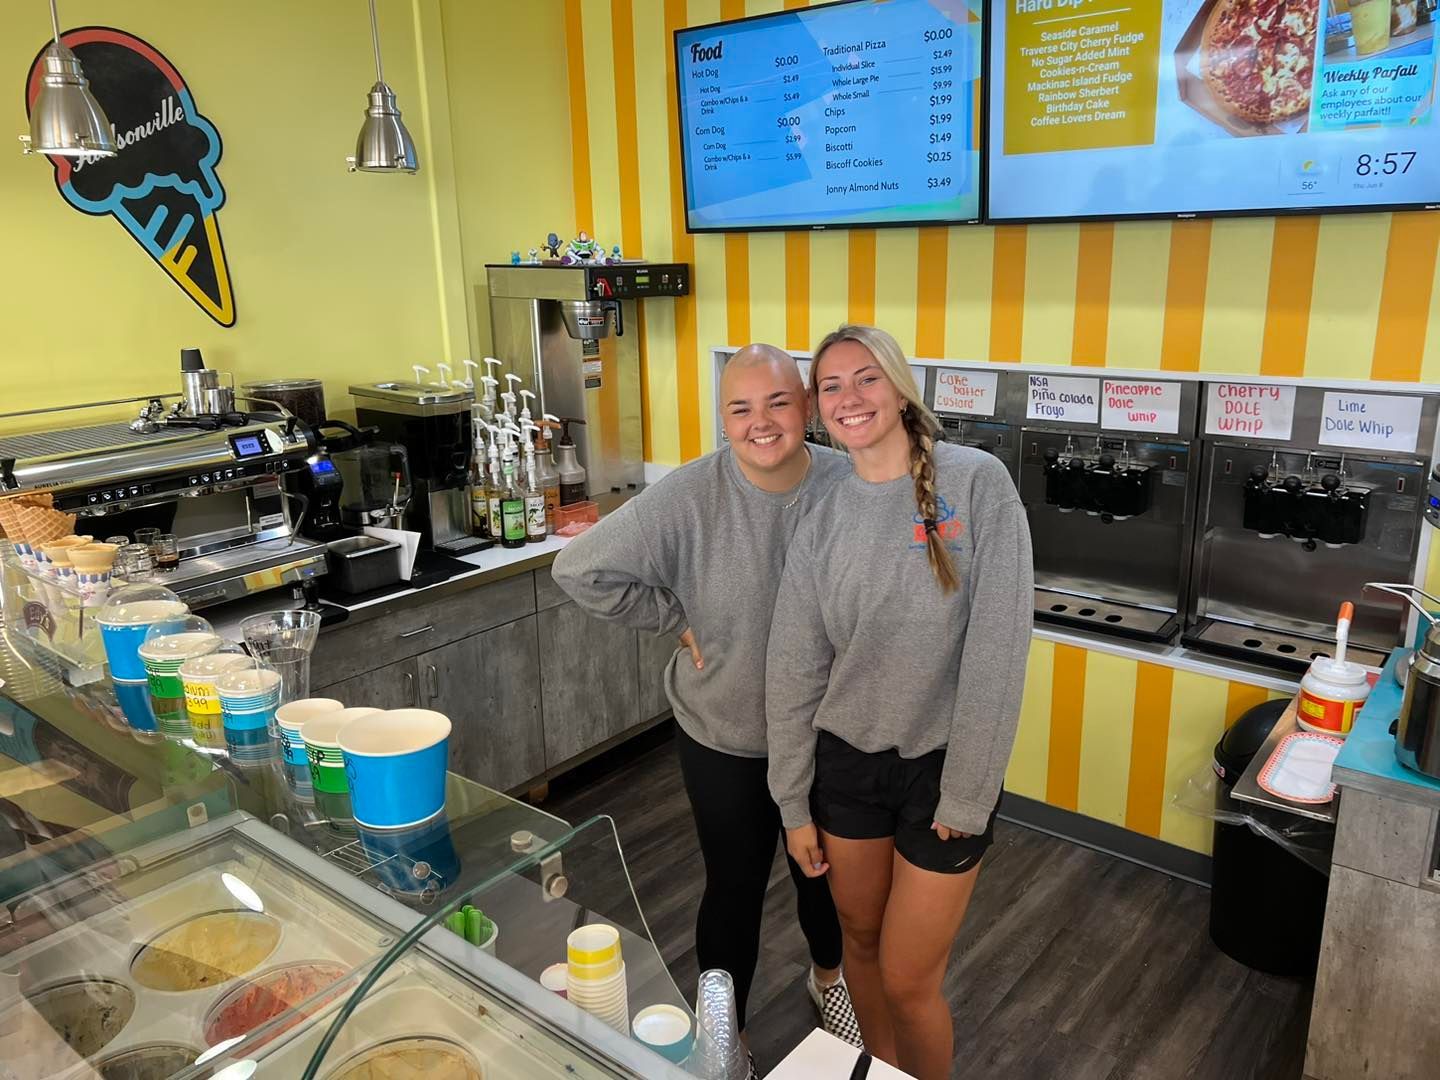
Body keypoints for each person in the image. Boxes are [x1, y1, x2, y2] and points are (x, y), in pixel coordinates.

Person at [551, 343, 862, 1056]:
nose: (761, 422)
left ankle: (830, 979)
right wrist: (673, 619)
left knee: (825, 879)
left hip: (828, 734)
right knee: (735, 887)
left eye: (779, 402)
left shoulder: (850, 483)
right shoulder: (690, 495)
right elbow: (579, 567)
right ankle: (730, 1037)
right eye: (740, 408)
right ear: (722, 419)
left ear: (807, 407)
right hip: (726, 733)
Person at [766, 324, 1033, 1080]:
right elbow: (793, 665)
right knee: (859, 949)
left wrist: (970, 791)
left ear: (900, 385)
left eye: (866, 378)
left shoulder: (977, 484)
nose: (850, 398)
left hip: (944, 772)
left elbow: (999, 650)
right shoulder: (820, 511)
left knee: (911, 980)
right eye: (831, 386)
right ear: (817, 407)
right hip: (845, 767)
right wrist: (792, 804)